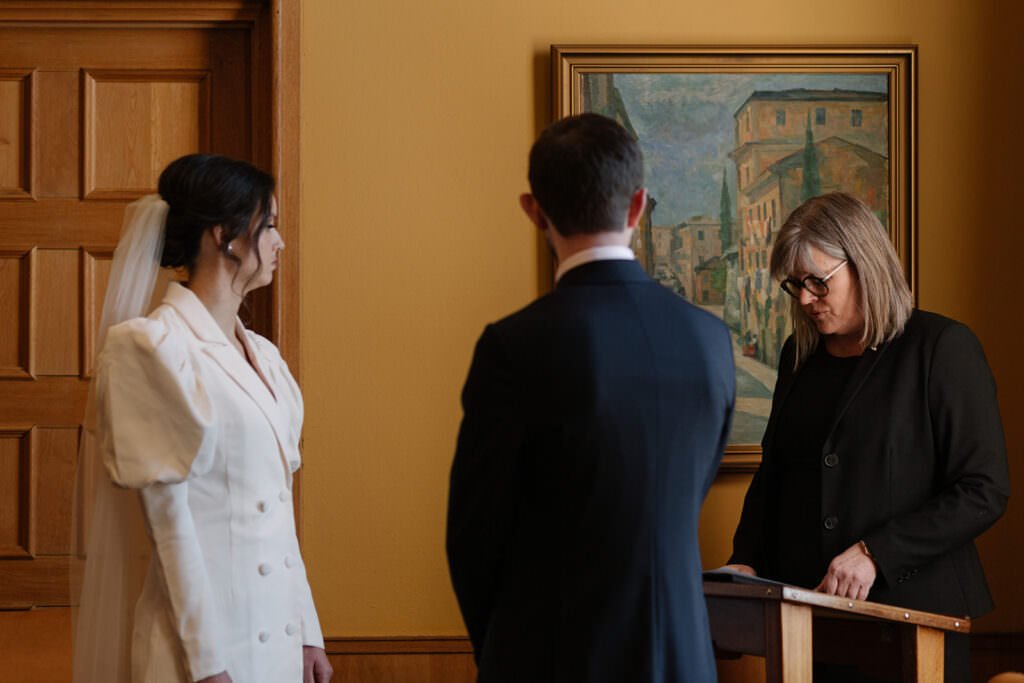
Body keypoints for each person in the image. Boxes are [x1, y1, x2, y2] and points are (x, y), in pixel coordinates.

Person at [446, 113, 736, 682]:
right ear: (638, 207)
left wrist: (503, 647)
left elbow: (473, 536)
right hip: (682, 655)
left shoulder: (513, 347)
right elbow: (689, 491)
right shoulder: (710, 340)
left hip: (550, 655)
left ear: (534, 211)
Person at [726, 192, 1010, 682]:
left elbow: (983, 490)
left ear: (866, 262)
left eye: (819, 282)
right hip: (809, 621)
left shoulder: (942, 347)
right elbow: (774, 474)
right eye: (796, 286)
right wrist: (746, 561)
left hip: (917, 624)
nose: (808, 299)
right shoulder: (799, 355)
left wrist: (876, 552)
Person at [72, 154, 332, 683]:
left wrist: (307, 632)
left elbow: (279, 514)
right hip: (200, 649)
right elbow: (169, 528)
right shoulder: (148, 348)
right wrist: (207, 665)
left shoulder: (266, 358)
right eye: (272, 225)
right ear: (227, 237)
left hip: (277, 640)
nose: (281, 242)